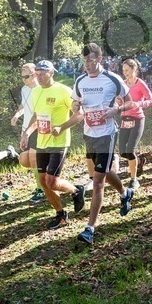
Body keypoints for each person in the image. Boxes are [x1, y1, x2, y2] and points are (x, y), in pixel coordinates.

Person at [63, 44, 135, 245]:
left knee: (97, 181)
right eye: (85, 60)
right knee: (101, 172)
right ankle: (124, 192)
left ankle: (90, 228)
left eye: (91, 60)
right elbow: (75, 104)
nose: (88, 64)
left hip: (107, 134)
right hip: (89, 134)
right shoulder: (80, 81)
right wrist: (75, 105)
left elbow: (130, 102)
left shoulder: (113, 79)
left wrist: (116, 110)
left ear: (100, 58)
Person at [21, 61, 84, 229]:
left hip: (59, 142)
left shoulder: (63, 91)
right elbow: (36, 116)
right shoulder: (35, 92)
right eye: (37, 73)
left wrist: (61, 127)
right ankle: (61, 213)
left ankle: (76, 191)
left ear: (52, 73)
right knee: (43, 182)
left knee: (52, 182)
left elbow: (79, 114)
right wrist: (27, 133)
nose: (39, 77)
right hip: (42, 142)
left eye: (43, 73)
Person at [118, 58, 152, 190]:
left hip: (138, 118)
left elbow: (151, 100)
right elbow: (119, 100)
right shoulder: (122, 84)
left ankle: (134, 180)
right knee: (122, 151)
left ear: (134, 70)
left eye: (127, 70)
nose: (125, 73)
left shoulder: (141, 84)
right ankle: (138, 161)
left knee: (130, 150)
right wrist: (118, 102)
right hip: (125, 118)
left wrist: (138, 104)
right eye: (123, 70)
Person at [10, 63, 45, 201]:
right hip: (26, 128)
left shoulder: (41, 89)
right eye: (22, 77)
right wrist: (17, 114)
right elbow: (23, 105)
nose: (24, 79)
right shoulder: (24, 89)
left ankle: (41, 189)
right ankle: (46, 180)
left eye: (26, 76)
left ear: (34, 74)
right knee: (24, 160)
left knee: (33, 157)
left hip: (39, 127)